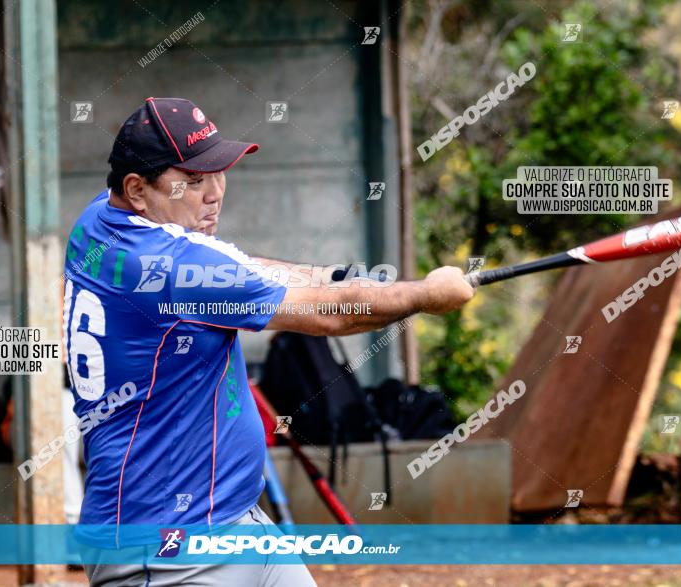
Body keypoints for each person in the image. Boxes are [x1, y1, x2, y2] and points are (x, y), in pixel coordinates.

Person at [63, 97, 475, 586]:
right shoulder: (171, 267)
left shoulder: (99, 222)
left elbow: (235, 266)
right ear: (137, 189)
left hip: (238, 523)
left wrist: (327, 274)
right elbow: (330, 316)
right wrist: (424, 295)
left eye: (218, 172)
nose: (214, 192)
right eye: (193, 181)